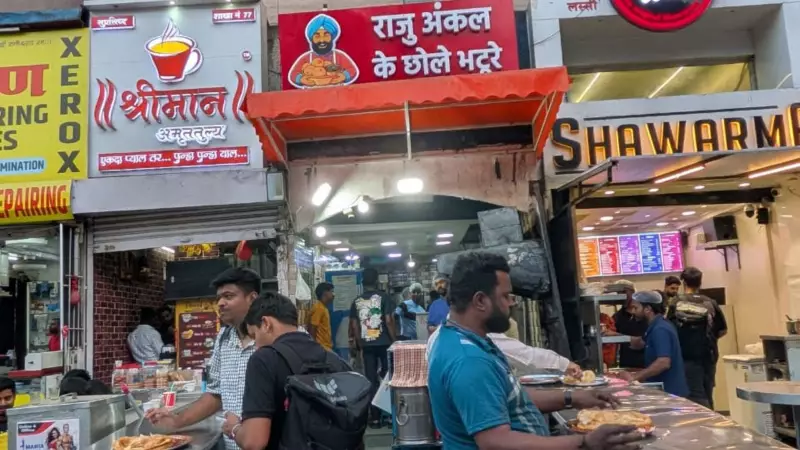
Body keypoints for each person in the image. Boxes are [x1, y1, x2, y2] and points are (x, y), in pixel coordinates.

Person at [428, 252, 645, 450]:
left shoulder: (463, 339)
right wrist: (584, 442)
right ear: (480, 301)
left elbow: (507, 397)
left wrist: (572, 398)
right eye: (505, 296)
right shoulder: (469, 360)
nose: (511, 303)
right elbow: (496, 442)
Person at [222, 292, 356, 450]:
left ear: (266, 323)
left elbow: (254, 442)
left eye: (254, 335)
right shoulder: (333, 360)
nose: (256, 345)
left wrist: (234, 427)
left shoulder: (264, 359)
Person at [147, 267, 261, 450]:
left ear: (252, 298)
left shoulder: (273, 338)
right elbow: (215, 395)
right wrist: (177, 421)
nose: (220, 303)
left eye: (228, 296)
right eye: (218, 298)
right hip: (233, 445)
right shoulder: (224, 338)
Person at [668, 267, 727, 408]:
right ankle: (711, 417)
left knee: (693, 395)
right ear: (700, 283)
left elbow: (669, 329)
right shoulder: (710, 303)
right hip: (708, 356)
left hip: (686, 356)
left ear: (684, 282)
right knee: (707, 392)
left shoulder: (676, 302)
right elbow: (722, 330)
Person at [349, 267, 396, 427]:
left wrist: (360, 344)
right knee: (388, 378)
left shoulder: (356, 301)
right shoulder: (384, 298)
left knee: (370, 379)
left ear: (363, 282)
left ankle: (374, 417)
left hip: (367, 345)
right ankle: (389, 416)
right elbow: (389, 320)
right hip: (384, 344)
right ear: (376, 281)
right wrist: (394, 340)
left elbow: (354, 326)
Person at [620, 291, 689, 398]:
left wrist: (635, 377)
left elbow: (663, 362)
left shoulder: (660, 329)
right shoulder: (656, 326)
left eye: (635, 308)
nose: (632, 312)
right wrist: (614, 335)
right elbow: (640, 343)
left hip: (669, 393)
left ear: (647, 309)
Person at [287, 13, 359, 89]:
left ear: (332, 37)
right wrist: (301, 79)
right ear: (311, 39)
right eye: (317, 36)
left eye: (326, 35)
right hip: (311, 94)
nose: (322, 40)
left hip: (336, 93)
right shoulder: (306, 58)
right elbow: (293, 74)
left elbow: (352, 70)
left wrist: (343, 76)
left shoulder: (339, 56)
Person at [612, 280, 647, 369]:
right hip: (626, 364)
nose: (621, 295)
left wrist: (616, 335)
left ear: (633, 292)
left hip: (645, 364)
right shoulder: (617, 316)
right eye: (618, 292)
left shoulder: (645, 314)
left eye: (624, 291)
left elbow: (642, 342)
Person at [310, 282, 334, 350]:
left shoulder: (323, 307)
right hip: (321, 347)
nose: (333, 294)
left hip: (325, 347)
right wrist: (313, 346)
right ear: (325, 293)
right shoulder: (319, 308)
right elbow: (313, 327)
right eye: (331, 292)